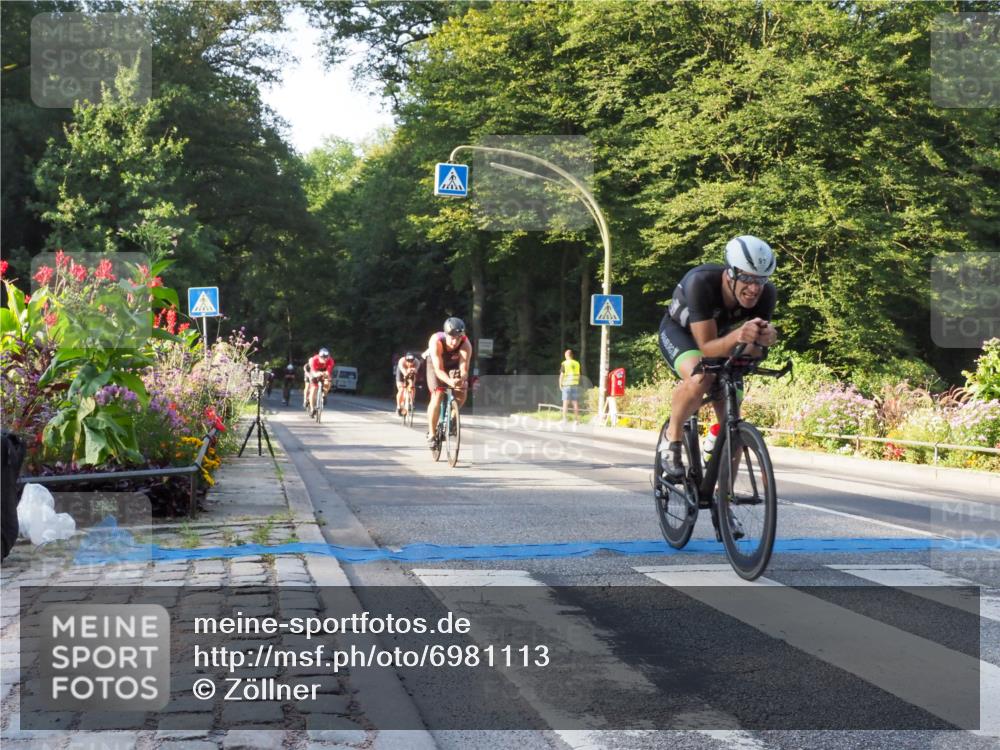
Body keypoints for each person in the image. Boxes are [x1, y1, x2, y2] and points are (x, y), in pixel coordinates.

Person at [658, 235, 779, 480]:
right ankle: (672, 438)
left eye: (761, 280)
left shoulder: (767, 294)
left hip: (722, 338)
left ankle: (724, 498)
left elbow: (752, 351)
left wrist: (763, 341)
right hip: (681, 333)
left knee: (732, 408)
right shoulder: (701, 282)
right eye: (747, 278)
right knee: (701, 376)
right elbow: (706, 348)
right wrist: (740, 336)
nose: (754, 288)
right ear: (730, 273)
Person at [424, 317, 472, 445]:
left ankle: (453, 415)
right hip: (435, 365)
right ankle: (432, 434)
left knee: (463, 387)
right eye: (452, 337)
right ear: (445, 334)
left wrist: (461, 379)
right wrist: (449, 382)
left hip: (453, 364)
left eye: (458, 338)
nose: (455, 341)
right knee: (438, 394)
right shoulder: (436, 341)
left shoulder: (466, 344)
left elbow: (464, 369)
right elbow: (438, 370)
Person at [304, 348, 334, 417]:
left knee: (328, 382)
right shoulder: (314, 359)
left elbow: (328, 372)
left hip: (324, 372)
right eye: (323, 357)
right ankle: (312, 409)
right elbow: (313, 372)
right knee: (313, 390)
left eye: (326, 357)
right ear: (319, 356)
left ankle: (324, 395)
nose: (325, 359)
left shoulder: (330, 361)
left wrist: (325, 374)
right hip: (315, 372)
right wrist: (317, 374)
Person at [559, 349, 581, 421]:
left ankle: (564, 419)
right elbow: (579, 375)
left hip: (567, 385)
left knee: (565, 403)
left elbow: (562, 375)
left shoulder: (564, 363)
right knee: (575, 403)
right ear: (572, 355)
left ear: (566, 355)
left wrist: (560, 384)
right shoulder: (577, 363)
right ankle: (576, 420)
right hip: (575, 385)